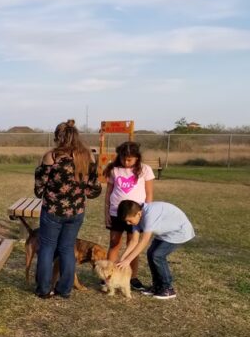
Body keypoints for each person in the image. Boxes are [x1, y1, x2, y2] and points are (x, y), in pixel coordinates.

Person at [33, 119, 102, 298]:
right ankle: (65, 290)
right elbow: (94, 189)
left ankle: (44, 289)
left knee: (47, 248)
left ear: (58, 137)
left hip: (52, 211)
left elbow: (39, 189)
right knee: (67, 248)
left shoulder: (52, 156)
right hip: (76, 211)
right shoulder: (88, 156)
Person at [116, 200, 195, 299]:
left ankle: (167, 288)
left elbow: (144, 241)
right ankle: (157, 286)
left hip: (179, 231)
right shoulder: (136, 217)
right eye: (126, 221)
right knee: (151, 253)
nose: (128, 223)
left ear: (139, 214)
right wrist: (122, 258)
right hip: (165, 233)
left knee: (157, 255)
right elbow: (134, 241)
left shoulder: (149, 215)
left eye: (129, 221)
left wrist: (128, 261)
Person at [103, 142, 155, 291]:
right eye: (123, 159)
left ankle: (132, 277)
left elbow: (149, 193)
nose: (126, 162)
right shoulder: (114, 170)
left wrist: (146, 214)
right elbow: (108, 193)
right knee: (114, 244)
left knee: (133, 244)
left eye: (130, 160)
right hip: (116, 213)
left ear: (137, 158)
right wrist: (106, 212)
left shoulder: (145, 170)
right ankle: (109, 276)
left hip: (135, 215)